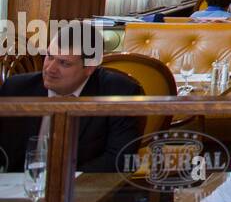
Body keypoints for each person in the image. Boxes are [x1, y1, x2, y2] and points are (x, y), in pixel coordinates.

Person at [0, 33, 143, 173]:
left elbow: (119, 159)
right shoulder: (16, 89)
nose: (50, 69)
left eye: (64, 63)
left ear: (89, 68)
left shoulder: (119, 93)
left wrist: (64, 181)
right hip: (18, 183)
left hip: (82, 185)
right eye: (49, 57)